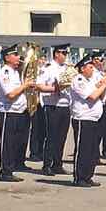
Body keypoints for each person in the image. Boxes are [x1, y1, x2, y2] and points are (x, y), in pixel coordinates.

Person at [69, 54, 106, 186]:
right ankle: (79, 177)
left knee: (92, 150)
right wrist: (104, 84)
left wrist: (105, 86)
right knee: (83, 149)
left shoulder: (91, 81)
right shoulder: (79, 80)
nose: (92, 69)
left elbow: (101, 96)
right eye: (90, 67)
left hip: (94, 118)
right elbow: (92, 96)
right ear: (82, 69)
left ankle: (88, 176)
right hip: (83, 118)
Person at [0, 44, 35, 182]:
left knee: (17, 141)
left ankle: (15, 164)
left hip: (19, 111)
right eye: (15, 55)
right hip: (8, 111)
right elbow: (11, 94)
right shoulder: (4, 73)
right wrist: (25, 85)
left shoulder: (15, 72)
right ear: (7, 57)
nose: (19, 58)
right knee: (8, 142)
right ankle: (5, 171)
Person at [35, 45, 72, 176]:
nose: (65, 56)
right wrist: (55, 89)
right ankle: (47, 165)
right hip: (52, 105)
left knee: (62, 137)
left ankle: (57, 164)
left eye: (66, 53)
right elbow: (38, 85)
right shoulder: (48, 68)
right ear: (57, 54)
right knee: (51, 136)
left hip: (65, 105)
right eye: (63, 53)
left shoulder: (68, 69)